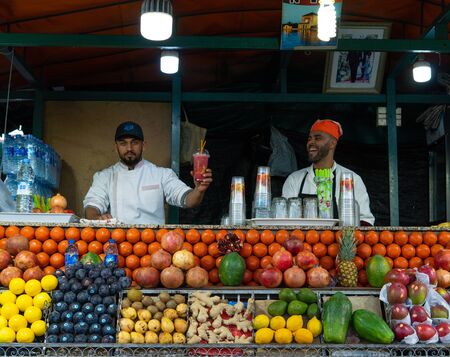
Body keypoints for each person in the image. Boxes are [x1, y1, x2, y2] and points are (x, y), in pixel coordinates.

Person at [83, 121, 212, 224]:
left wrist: (198, 190)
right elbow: (92, 206)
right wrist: (96, 218)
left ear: (143, 145)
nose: (129, 148)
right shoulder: (104, 177)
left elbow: (187, 200)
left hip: (153, 245)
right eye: (123, 143)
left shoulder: (161, 175)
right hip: (117, 246)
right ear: (116, 147)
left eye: (135, 143)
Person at [282, 119, 375, 225]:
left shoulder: (351, 179)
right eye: (310, 138)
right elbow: (285, 220)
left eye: (317, 138)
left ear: (332, 144)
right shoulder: (295, 179)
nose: (311, 142)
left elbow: (365, 220)